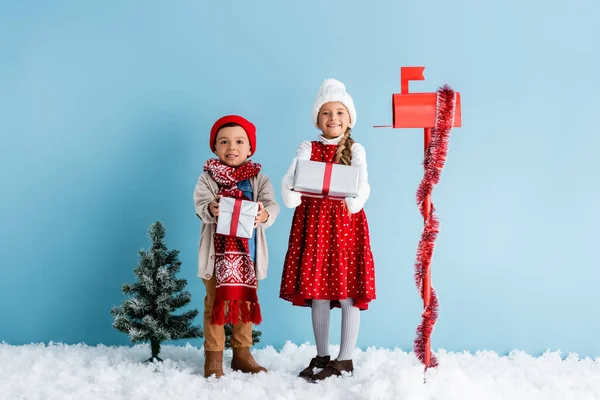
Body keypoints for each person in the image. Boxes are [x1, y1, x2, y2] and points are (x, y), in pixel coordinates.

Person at [280, 79, 376, 381]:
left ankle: (345, 358)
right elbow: (292, 175)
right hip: (313, 223)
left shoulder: (356, 149)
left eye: (339, 112)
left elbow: (363, 185)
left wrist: (355, 201)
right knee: (317, 290)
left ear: (349, 118)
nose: (332, 118)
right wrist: (291, 192)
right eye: (325, 112)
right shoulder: (308, 146)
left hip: (345, 225)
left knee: (347, 292)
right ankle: (322, 355)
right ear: (317, 118)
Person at [194, 115, 279, 378]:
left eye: (239, 141)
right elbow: (200, 204)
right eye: (224, 142)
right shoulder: (208, 178)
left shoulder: (259, 180)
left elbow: (271, 205)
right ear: (215, 148)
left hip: (247, 258)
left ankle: (242, 354)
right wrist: (211, 207)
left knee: (245, 304)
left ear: (250, 149)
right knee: (214, 304)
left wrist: (263, 215)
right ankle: (214, 356)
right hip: (216, 258)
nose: (232, 147)